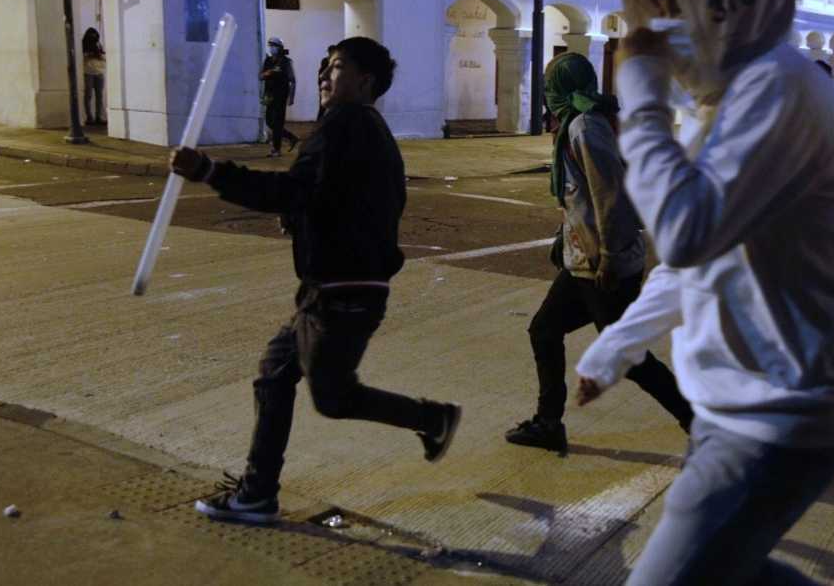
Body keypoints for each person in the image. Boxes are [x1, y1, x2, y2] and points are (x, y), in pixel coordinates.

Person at [574, 0, 834, 586]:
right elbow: (691, 268)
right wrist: (612, 349)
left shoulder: (781, 86)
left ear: (728, 8)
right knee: (728, 572)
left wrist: (640, 91)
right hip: (735, 407)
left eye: (679, 12)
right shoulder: (721, 107)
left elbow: (684, 231)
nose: (665, 35)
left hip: (780, 415)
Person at [173, 37, 461, 524]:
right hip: (336, 289)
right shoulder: (371, 131)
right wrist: (305, 217)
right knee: (274, 372)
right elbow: (343, 199)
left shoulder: (346, 124)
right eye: (324, 67)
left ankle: (430, 418)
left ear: (365, 80)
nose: (326, 76)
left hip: (341, 293)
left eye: (338, 67)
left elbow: (292, 188)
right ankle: (257, 492)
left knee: (334, 397)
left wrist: (210, 171)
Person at [504, 52, 692, 455]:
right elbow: (582, 198)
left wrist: (607, 255)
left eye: (550, 83)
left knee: (629, 357)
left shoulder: (585, 126)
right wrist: (565, 236)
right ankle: (548, 422)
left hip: (603, 264)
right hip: (583, 261)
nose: (546, 91)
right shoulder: (578, 122)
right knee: (545, 330)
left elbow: (610, 195)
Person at [260, 36, 300, 157]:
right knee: (269, 121)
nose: (271, 48)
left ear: (280, 47)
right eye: (270, 45)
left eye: (274, 46)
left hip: (281, 96)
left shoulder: (286, 62)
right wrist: (269, 72)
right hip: (269, 95)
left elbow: (292, 80)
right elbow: (260, 76)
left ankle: (276, 150)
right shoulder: (268, 61)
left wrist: (291, 97)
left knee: (277, 123)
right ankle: (291, 137)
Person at [81, 27, 107, 126]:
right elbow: (82, 57)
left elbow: (104, 57)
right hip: (88, 72)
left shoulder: (98, 44)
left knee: (99, 96)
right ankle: (89, 117)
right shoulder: (83, 45)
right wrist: (89, 55)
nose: (94, 37)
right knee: (88, 96)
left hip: (99, 72)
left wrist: (99, 55)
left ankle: (99, 117)